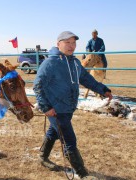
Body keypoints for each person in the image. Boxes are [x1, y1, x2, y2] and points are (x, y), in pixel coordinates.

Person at [33, 31, 112, 179]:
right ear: (58, 44)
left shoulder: (75, 63)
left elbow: (87, 79)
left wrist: (103, 90)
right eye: (67, 43)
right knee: (69, 140)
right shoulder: (50, 63)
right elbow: (38, 85)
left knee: (54, 132)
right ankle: (83, 174)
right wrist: (46, 107)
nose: (71, 46)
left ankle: (42, 157)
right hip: (55, 109)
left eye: (73, 43)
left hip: (68, 107)